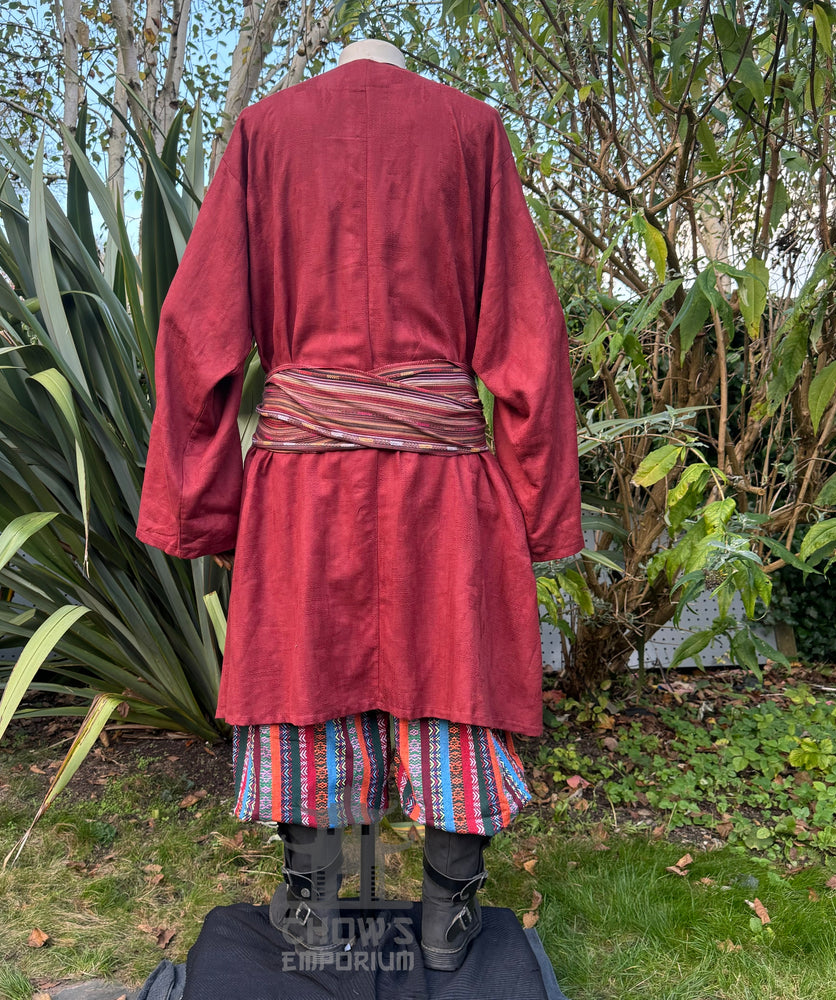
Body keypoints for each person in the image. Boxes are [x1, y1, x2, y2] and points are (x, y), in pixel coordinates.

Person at [136, 37, 583, 972]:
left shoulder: (266, 135)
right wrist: (539, 510)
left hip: (306, 484)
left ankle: (308, 899)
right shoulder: (472, 132)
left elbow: (195, 334)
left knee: (305, 676)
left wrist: (207, 509)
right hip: (444, 484)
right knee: (452, 677)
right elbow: (530, 343)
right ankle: (447, 911)